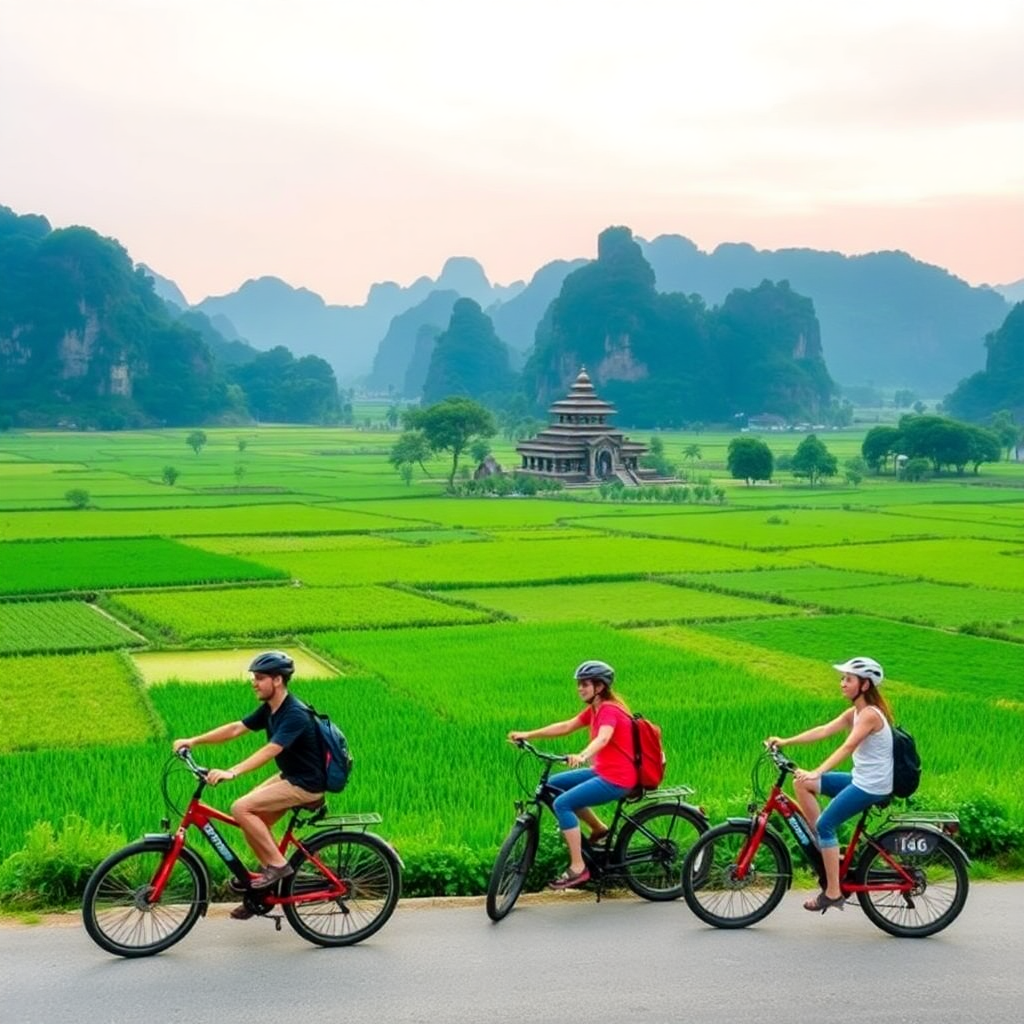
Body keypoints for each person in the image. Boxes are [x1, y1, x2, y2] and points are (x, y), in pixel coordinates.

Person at [172, 650, 325, 917]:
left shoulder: (295, 714)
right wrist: (193, 740)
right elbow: (235, 729)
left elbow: (271, 750)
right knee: (254, 821)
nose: (254, 682)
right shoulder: (270, 708)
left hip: (306, 783)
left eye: (260, 677)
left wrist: (233, 771)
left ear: (277, 680)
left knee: (241, 808)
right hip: (290, 776)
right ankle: (261, 892)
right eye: (254, 677)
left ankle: (277, 867)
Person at [766, 655, 894, 914]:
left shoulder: (870, 715)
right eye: (842, 678)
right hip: (861, 779)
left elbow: (847, 746)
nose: (842, 683)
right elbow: (824, 730)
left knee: (826, 823)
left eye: (849, 679)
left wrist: (817, 771)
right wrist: (785, 741)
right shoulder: (855, 712)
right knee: (802, 785)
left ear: (865, 685)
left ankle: (834, 892)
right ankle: (827, 850)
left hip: (872, 786)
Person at [507, 659, 637, 889]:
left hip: (617, 778)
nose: (579, 688)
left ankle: (579, 867)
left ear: (599, 687)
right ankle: (599, 828)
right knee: (554, 785)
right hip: (603, 771)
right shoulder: (594, 709)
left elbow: (604, 737)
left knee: (563, 804)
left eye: (584, 684)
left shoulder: (608, 709)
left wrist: (583, 755)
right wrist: (528, 734)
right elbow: (566, 726)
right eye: (578, 684)